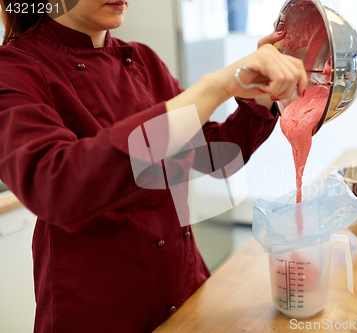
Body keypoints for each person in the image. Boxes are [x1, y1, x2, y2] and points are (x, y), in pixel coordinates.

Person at [0, 1, 307, 332]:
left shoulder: (143, 60)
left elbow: (214, 156)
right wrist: (215, 86)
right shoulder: (15, 68)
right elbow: (58, 187)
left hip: (185, 291)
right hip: (99, 313)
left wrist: (262, 93)